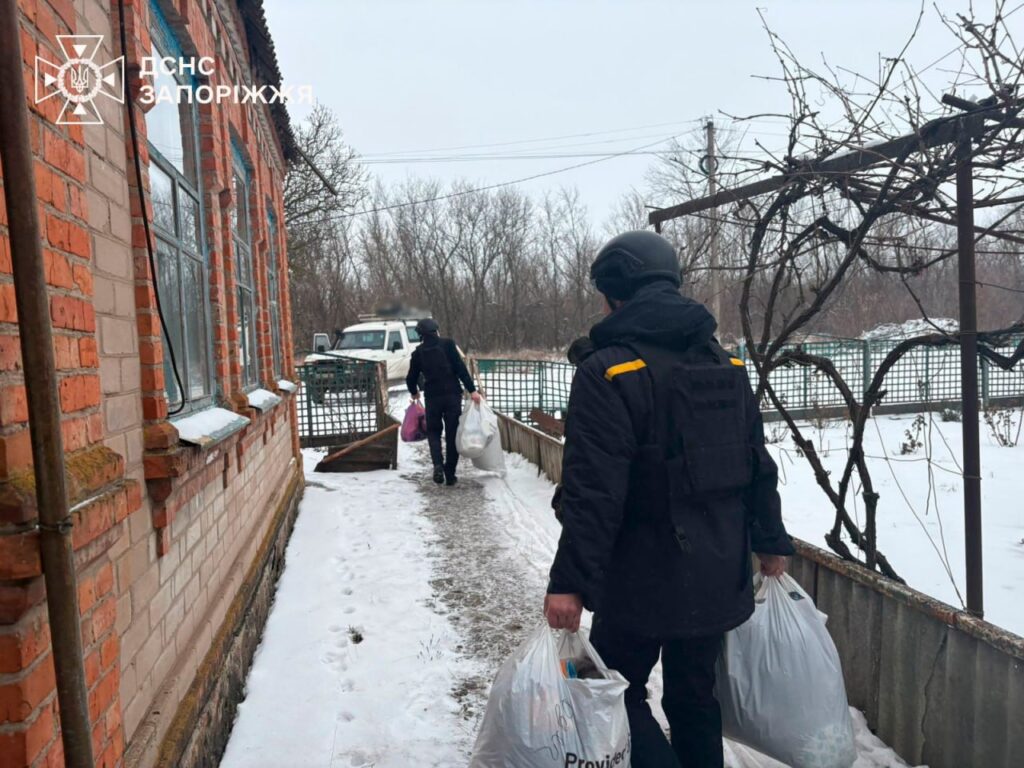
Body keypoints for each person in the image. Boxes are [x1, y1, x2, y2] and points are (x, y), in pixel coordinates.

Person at [543, 231, 794, 768]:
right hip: (717, 572)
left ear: (614, 291)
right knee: (693, 697)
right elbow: (757, 462)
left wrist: (570, 583)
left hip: (641, 576)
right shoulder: (724, 365)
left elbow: (593, 491)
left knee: (615, 693)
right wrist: (770, 541)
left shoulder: (607, 370)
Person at [406, 318, 481, 486]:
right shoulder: (448, 345)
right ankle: (450, 473)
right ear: (436, 330)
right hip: (452, 396)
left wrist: (414, 392)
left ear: (420, 335)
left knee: (433, 433)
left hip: (432, 398)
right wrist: (472, 390)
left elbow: (410, 378)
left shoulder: (418, 352)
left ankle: (438, 465)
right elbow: (460, 369)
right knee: (452, 434)